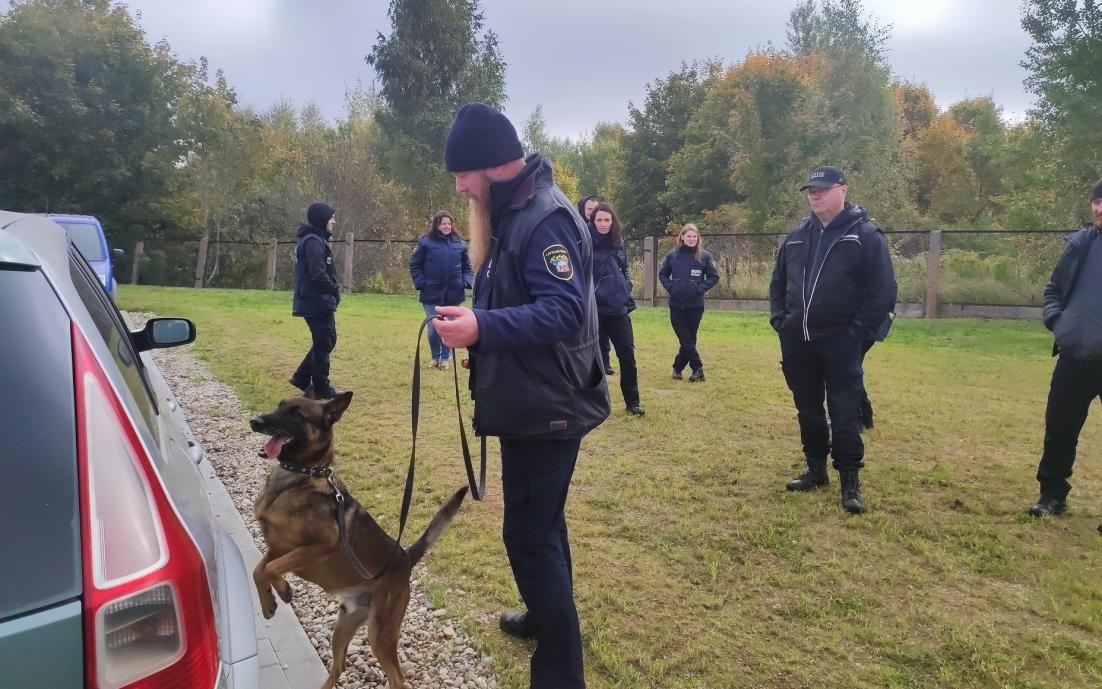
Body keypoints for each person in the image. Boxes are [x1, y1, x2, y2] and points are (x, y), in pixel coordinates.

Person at [432, 102, 610, 689]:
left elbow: (561, 312)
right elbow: (519, 298)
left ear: (492, 165)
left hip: (549, 407)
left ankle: (561, 677)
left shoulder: (546, 218)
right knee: (542, 523)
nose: (458, 186)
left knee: (529, 535)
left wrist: (482, 328)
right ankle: (542, 615)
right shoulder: (513, 211)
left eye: (462, 173)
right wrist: (479, 314)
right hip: (529, 401)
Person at [769, 165, 896, 514]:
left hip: (841, 342)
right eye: (811, 190)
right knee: (808, 409)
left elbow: (883, 291)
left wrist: (856, 332)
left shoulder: (865, 236)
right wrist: (780, 320)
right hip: (797, 341)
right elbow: (778, 283)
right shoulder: (795, 237)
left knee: (844, 412)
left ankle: (850, 481)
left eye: (823, 189)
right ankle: (815, 469)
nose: (815, 195)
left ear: (843, 190)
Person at [1028, 178, 1102, 517]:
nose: (1099, 208)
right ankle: (1051, 495)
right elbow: (1053, 288)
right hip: (1074, 354)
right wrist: (1058, 322)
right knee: (1059, 428)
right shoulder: (1080, 244)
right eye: (1096, 201)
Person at [590, 202, 644, 415]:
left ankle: (633, 402)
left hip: (618, 309)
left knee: (627, 356)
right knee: (593, 359)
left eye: (607, 220)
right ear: (592, 222)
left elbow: (625, 268)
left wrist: (627, 285)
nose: (603, 224)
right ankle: (593, 402)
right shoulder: (585, 243)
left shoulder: (618, 243)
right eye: (599, 220)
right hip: (595, 309)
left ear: (613, 222)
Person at [289, 202, 344, 400]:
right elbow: (317, 274)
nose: (334, 221)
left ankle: (302, 377)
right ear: (323, 219)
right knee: (324, 341)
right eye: (331, 218)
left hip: (315, 301)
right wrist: (334, 288)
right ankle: (321, 387)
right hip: (315, 302)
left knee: (325, 340)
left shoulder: (316, 240)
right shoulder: (313, 242)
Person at [409, 210, 474, 369]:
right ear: (437, 225)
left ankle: (445, 358)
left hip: (453, 294)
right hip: (431, 293)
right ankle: (434, 357)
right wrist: (421, 282)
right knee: (433, 329)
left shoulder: (460, 243)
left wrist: (466, 281)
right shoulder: (425, 243)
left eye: (449, 223)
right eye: (443, 223)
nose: (446, 226)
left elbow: (467, 267)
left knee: (449, 328)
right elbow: (415, 264)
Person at [658, 223, 720, 382]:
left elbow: (714, 277)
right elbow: (663, 274)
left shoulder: (705, 256)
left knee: (689, 339)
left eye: (694, 236)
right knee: (684, 338)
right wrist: (671, 287)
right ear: (682, 237)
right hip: (676, 305)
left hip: (695, 305)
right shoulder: (672, 255)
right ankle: (697, 368)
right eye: (688, 236)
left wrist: (700, 288)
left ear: (698, 238)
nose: (691, 239)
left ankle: (677, 368)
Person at [578, 194, 613, 375]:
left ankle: (605, 361)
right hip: (589, 291)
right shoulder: (579, 232)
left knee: (605, 331)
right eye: (590, 210)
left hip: (609, 293)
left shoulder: (612, 237)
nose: (601, 220)